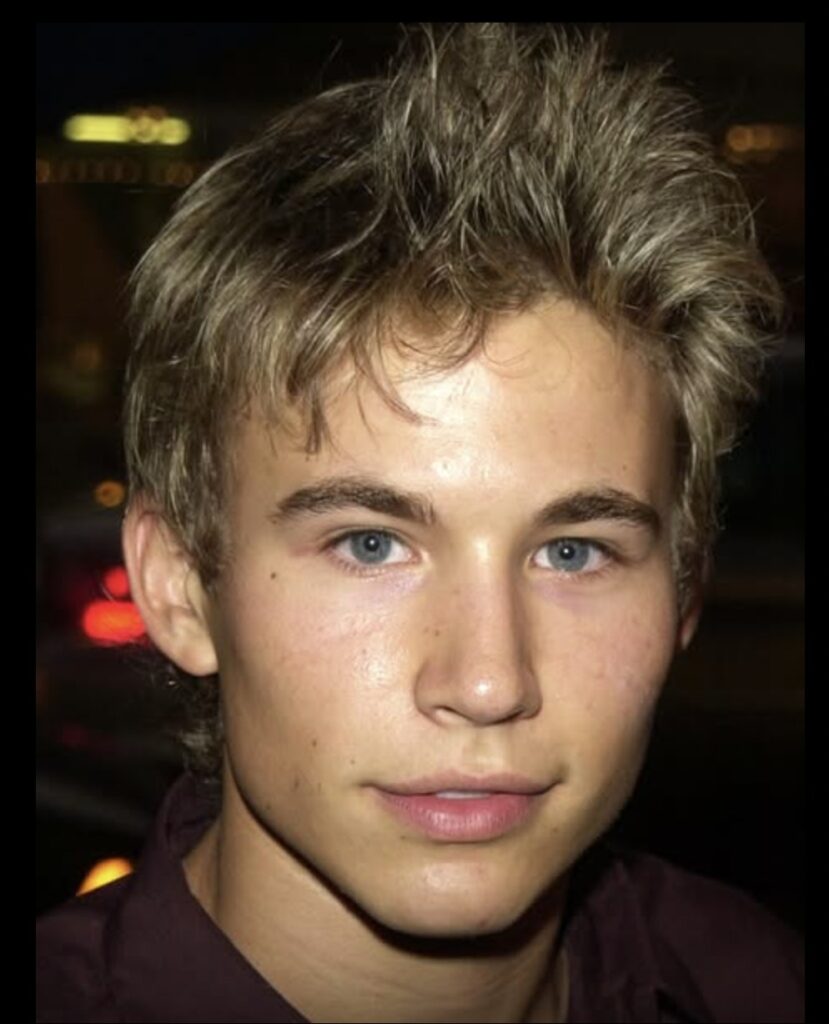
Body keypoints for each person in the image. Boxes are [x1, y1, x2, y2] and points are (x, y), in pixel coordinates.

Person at [37, 23, 803, 1024]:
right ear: (180, 586)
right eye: (371, 544)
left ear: (683, 594)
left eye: (572, 553)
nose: (486, 683)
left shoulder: (756, 983)